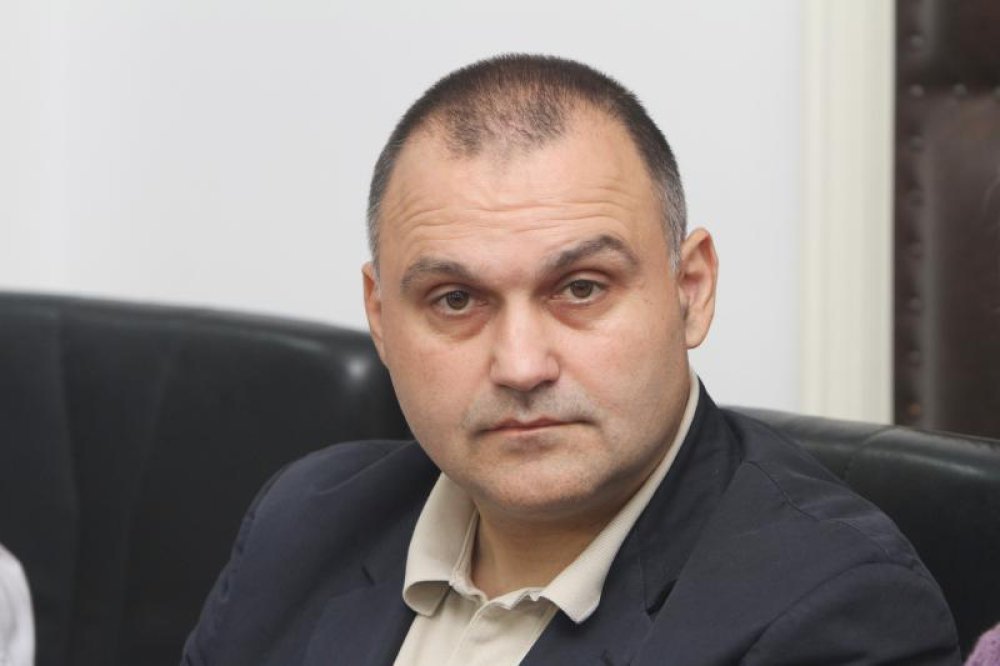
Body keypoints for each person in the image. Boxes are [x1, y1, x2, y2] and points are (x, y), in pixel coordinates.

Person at [181, 54, 960, 665]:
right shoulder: (305, 520)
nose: (521, 366)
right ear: (381, 319)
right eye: (456, 299)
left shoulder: (835, 613)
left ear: (690, 290)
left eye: (581, 288)